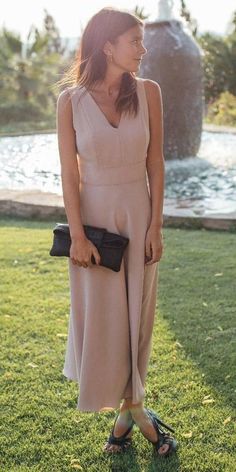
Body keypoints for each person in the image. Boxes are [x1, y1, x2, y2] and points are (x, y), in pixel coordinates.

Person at [56, 6, 177, 457]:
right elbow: (69, 174)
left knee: (138, 320)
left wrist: (156, 225)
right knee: (106, 321)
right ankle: (136, 414)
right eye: (135, 41)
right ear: (108, 46)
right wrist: (78, 236)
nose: (143, 50)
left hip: (138, 214)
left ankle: (131, 415)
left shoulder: (149, 92)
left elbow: (156, 162)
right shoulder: (70, 101)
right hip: (93, 224)